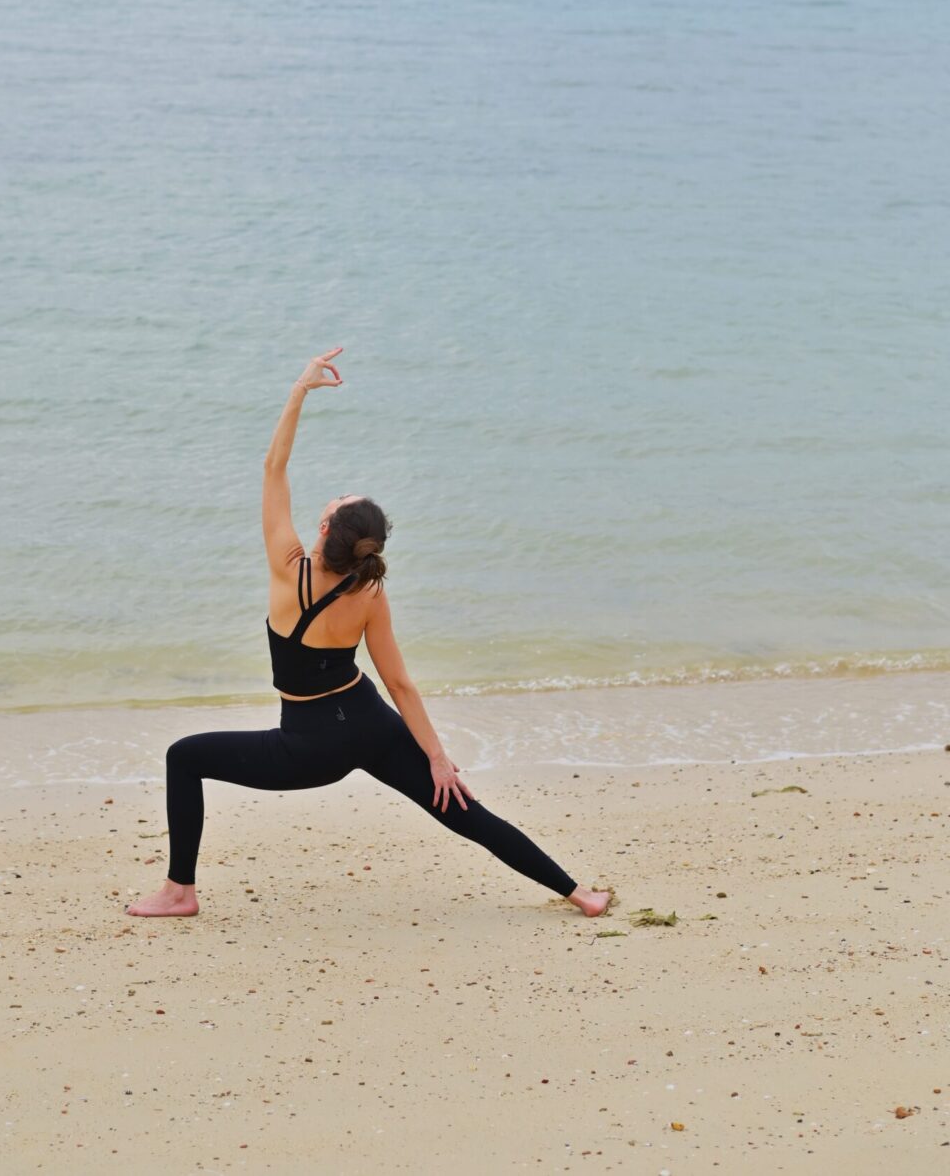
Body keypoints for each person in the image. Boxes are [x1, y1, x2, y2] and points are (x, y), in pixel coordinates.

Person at [128, 349, 611, 920]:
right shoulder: (369, 593)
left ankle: (180, 892)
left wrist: (300, 390)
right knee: (461, 810)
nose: (334, 497)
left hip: (307, 748)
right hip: (372, 725)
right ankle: (579, 893)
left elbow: (272, 468)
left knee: (184, 757)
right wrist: (437, 757)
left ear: (325, 527)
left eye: (337, 501)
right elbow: (400, 683)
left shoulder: (289, 569)